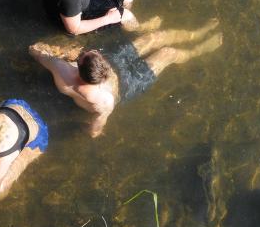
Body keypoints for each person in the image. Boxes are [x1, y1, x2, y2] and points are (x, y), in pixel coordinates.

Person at [28, 17, 223, 137]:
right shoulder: (99, 98)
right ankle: (199, 50)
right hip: (127, 85)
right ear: (79, 69)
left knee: (156, 37)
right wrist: (92, 131)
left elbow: (35, 50)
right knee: (168, 53)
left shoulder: (66, 68)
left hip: (115, 62)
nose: (92, 49)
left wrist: (45, 51)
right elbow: (99, 122)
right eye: (87, 53)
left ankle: (197, 33)